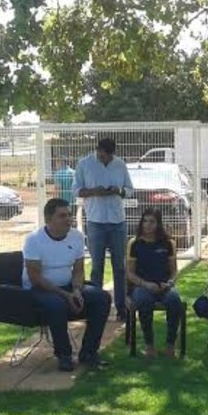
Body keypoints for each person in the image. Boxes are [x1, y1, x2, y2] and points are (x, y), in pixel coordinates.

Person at [23, 198, 111, 372]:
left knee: (102, 298)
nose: (68, 219)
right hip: (39, 289)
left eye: (69, 215)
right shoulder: (34, 240)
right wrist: (65, 295)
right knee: (57, 305)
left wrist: (77, 290)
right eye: (62, 216)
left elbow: (78, 270)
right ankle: (64, 355)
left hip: (68, 286)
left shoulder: (76, 236)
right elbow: (35, 277)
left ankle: (89, 352)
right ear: (48, 219)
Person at [73, 137, 135, 321]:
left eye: (110, 156)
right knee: (97, 266)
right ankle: (96, 308)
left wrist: (119, 191)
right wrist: (94, 191)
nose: (106, 158)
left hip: (117, 221)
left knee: (120, 267)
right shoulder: (84, 164)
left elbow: (130, 189)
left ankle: (121, 308)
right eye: (103, 155)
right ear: (98, 150)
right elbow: (76, 190)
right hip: (95, 221)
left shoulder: (120, 164)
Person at [126, 208, 183, 359]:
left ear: (158, 224)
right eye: (145, 221)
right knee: (144, 301)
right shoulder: (134, 243)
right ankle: (149, 345)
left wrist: (169, 283)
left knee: (174, 300)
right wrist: (145, 284)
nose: (148, 225)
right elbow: (130, 273)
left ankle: (170, 345)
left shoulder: (168, 243)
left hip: (164, 285)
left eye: (152, 221)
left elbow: (174, 271)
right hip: (142, 286)